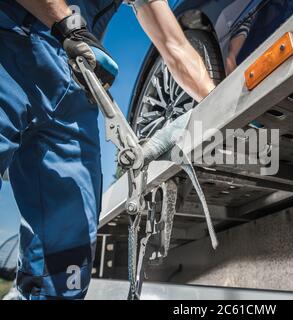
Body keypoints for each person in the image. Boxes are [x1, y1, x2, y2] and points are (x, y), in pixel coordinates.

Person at [0, 0, 215, 300]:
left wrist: (223, 108)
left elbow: (174, 44)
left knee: (66, 262)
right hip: (11, 42)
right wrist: (66, 24)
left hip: (74, 88)